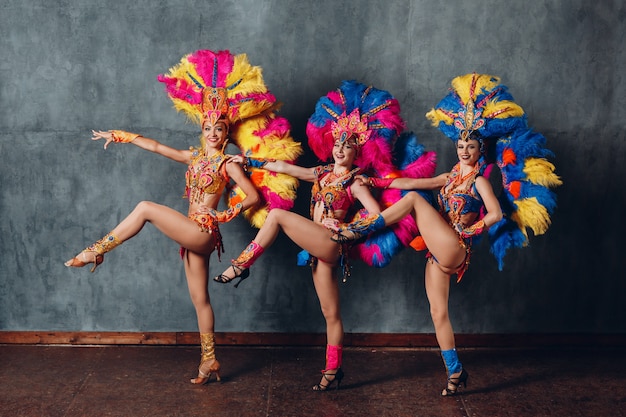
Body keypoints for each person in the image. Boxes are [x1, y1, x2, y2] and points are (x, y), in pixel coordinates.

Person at [64, 49, 301, 385]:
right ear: (202, 129)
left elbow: (253, 196)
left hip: (202, 231)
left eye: (219, 128)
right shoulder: (193, 157)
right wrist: (122, 136)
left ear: (226, 131)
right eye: (208, 127)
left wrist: (223, 213)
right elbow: (159, 147)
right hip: (193, 236)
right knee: (199, 299)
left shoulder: (228, 163)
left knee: (145, 208)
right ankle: (210, 361)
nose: (214, 133)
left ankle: (97, 249)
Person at [331, 73, 562, 396]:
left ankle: (362, 228)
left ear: (481, 149)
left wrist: (473, 229)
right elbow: (412, 183)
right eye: (460, 144)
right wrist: (377, 183)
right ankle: (456, 372)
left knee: (412, 204)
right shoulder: (451, 175)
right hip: (437, 253)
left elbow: (495, 213)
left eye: (470, 146)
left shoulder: (479, 180)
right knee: (438, 313)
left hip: (455, 246)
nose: (464, 150)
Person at [214, 80, 408, 391]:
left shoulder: (356, 181)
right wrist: (248, 161)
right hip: (318, 251)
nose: (340, 149)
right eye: (337, 144)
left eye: (347, 146)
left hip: (331, 242)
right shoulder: (320, 172)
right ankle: (333, 369)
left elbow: (376, 215)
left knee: (276, 216)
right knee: (330, 313)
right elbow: (285, 168)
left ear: (357, 150)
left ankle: (242, 264)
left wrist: (349, 231)